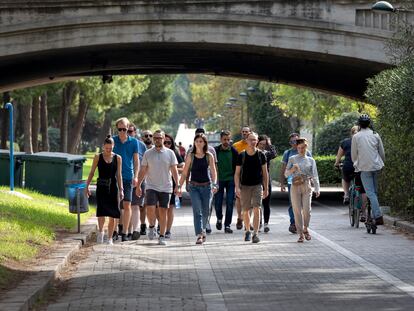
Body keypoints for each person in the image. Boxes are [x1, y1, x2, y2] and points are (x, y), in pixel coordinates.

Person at [136, 130, 179, 245]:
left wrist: (178, 185)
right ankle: (151, 226)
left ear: (164, 138)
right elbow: (143, 170)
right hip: (151, 186)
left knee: (163, 211)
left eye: (159, 138)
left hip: (166, 187)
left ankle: (162, 236)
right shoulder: (148, 153)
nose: (157, 140)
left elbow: (174, 171)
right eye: (155, 138)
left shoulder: (170, 153)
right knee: (150, 208)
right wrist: (138, 185)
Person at [179, 133, 218, 245]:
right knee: (197, 211)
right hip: (194, 187)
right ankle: (199, 234)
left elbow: (213, 172)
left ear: (205, 143)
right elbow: (185, 172)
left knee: (206, 211)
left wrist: (215, 184)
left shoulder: (209, 155)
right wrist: (179, 186)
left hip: (207, 187)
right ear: (194, 142)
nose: (198, 143)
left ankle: (204, 229)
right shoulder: (190, 156)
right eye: (197, 141)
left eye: (201, 141)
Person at [86, 136, 123, 245]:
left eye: (110, 148)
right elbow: (92, 172)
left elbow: (119, 175)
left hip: (112, 188)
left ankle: (110, 238)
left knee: (113, 213)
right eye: (106, 148)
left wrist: (121, 189)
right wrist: (86, 186)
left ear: (113, 147)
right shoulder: (98, 157)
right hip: (101, 186)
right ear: (103, 147)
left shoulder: (118, 158)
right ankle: (101, 232)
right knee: (101, 212)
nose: (108, 150)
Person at [234, 132, 269, 244]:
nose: (253, 142)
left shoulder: (261, 155)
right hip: (244, 186)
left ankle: (256, 234)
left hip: (257, 185)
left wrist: (266, 188)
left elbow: (265, 173)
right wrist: (237, 187)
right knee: (245, 210)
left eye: (254, 140)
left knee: (257, 208)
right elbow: (237, 173)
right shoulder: (242, 155)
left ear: (257, 141)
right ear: (247, 141)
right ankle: (248, 230)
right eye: (250, 139)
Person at [351, 114, 385, 225]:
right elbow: (382, 152)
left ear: (359, 124)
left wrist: (356, 165)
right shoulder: (375, 135)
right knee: (374, 192)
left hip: (364, 168)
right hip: (376, 166)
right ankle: (374, 215)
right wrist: (382, 163)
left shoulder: (356, 137)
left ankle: (378, 216)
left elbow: (354, 155)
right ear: (369, 124)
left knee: (370, 193)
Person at [285, 137, 320, 243]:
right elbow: (286, 174)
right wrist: (292, 169)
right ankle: (300, 234)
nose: (301, 150)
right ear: (297, 148)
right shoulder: (292, 158)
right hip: (295, 186)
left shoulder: (311, 160)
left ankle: (306, 228)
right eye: (299, 148)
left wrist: (317, 188)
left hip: (306, 185)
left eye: (303, 147)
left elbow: (315, 175)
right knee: (296, 211)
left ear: (306, 147)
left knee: (307, 210)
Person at [113, 117, 140, 242]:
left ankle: (124, 232)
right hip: (114, 177)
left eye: (125, 129)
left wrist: (136, 176)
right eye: (120, 129)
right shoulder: (112, 141)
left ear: (128, 128)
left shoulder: (134, 142)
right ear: (117, 129)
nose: (123, 132)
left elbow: (136, 160)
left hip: (128, 177)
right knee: (115, 205)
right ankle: (114, 231)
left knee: (127, 204)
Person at [279, 133, 312, 234]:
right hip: (292, 182)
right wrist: (282, 183)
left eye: (296, 141)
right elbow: (284, 169)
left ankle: (303, 225)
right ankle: (293, 223)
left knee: (305, 206)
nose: (294, 143)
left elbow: (311, 168)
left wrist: (312, 181)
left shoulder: (308, 153)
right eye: (292, 141)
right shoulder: (287, 153)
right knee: (293, 204)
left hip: (305, 182)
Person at [214, 130, 238, 233]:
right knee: (218, 203)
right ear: (220, 139)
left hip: (231, 180)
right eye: (224, 139)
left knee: (229, 203)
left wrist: (238, 182)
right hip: (219, 181)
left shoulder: (234, 151)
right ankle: (219, 218)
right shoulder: (215, 151)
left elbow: (238, 168)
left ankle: (227, 225)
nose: (226, 141)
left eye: (228, 139)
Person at [127, 124, 147, 240]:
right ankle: (127, 231)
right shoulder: (121, 143)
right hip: (125, 179)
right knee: (126, 207)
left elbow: (144, 163)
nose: (128, 133)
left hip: (138, 180)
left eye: (130, 131)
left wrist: (141, 179)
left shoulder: (141, 146)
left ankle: (135, 230)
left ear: (135, 132)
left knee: (135, 206)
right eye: (126, 131)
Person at [164, 133, 184, 239]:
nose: (166, 144)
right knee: (160, 208)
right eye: (165, 142)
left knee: (170, 208)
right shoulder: (154, 152)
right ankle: (161, 225)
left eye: (169, 142)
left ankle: (167, 230)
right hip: (158, 183)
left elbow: (183, 166)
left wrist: (173, 169)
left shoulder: (174, 152)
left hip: (171, 183)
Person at [232, 126, 251, 230]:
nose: (245, 133)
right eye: (243, 132)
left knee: (250, 199)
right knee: (239, 198)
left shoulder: (252, 144)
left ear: (250, 133)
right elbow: (234, 162)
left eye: (246, 132)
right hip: (240, 174)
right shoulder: (236, 145)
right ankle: (240, 218)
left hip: (251, 175)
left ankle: (247, 219)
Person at [257, 135, 277, 233]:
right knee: (257, 204)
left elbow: (274, 154)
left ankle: (266, 224)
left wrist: (270, 144)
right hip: (256, 180)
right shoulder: (254, 153)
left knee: (266, 203)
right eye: (260, 144)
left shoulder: (267, 154)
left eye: (264, 144)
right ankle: (258, 223)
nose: (262, 146)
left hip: (266, 180)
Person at [335, 126, 359, 205]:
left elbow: (339, 156)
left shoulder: (345, 142)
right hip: (360, 166)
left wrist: (336, 164)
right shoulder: (363, 141)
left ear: (351, 134)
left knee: (345, 178)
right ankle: (363, 209)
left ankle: (346, 194)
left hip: (348, 166)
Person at [139, 129, 154, 236]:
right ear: (142, 138)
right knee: (142, 205)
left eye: (150, 135)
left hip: (153, 181)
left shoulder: (155, 150)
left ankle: (153, 225)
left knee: (153, 206)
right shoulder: (138, 149)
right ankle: (143, 225)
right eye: (146, 135)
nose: (148, 137)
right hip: (142, 180)